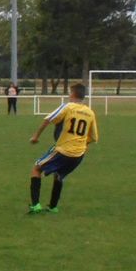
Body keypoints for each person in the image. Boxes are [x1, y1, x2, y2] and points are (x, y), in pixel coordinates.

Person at [28, 82, 99, 215]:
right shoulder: (90, 113)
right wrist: (81, 145)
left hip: (63, 150)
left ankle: (35, 205)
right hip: (78, 155)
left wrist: (36, 136)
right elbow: (93, 137)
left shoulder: (68, 107)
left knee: (36, 168)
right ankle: (53, 207)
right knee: (59, 175)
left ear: (72, 94)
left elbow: (48, 119)